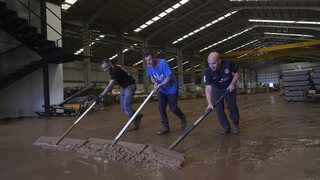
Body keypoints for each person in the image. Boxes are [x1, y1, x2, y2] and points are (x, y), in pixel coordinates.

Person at [144, 51, 187, 135]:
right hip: (162, 90)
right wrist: (155, 83)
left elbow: (169, 77)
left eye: (150, 60)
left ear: (154, 57)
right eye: (146, 60)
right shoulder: (149, 66)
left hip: (171, 89)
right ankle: (165, 127)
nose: (148, 62)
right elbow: (152, 77)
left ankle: (182, 116)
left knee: (173, 109)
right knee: (161, 107)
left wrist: (159, 85)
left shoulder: (163, 63)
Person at [97, 58, 142, 131]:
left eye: (106, 67)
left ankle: (135, 124)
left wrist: (100, 95)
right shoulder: (113, 69)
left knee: (126, 107)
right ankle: (137, 115)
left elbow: (110, 85)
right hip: (123, 87)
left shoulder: (116, 70)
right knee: (123, 108)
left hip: (129, 86)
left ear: (110, 64)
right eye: (103, 68)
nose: (104, 70)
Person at [203, 52, 240, 135]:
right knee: (218, 108)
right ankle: (225, 126)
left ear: (219, 61)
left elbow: (237, 73)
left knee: (232, 107)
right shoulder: (207, 72)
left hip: (229, 87)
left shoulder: (228, 64)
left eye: (214, 63)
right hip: (217, 88)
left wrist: (232, 84)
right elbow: (208, 88)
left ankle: (235, 124)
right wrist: (209, 103)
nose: (211, 66)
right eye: (209, 64)